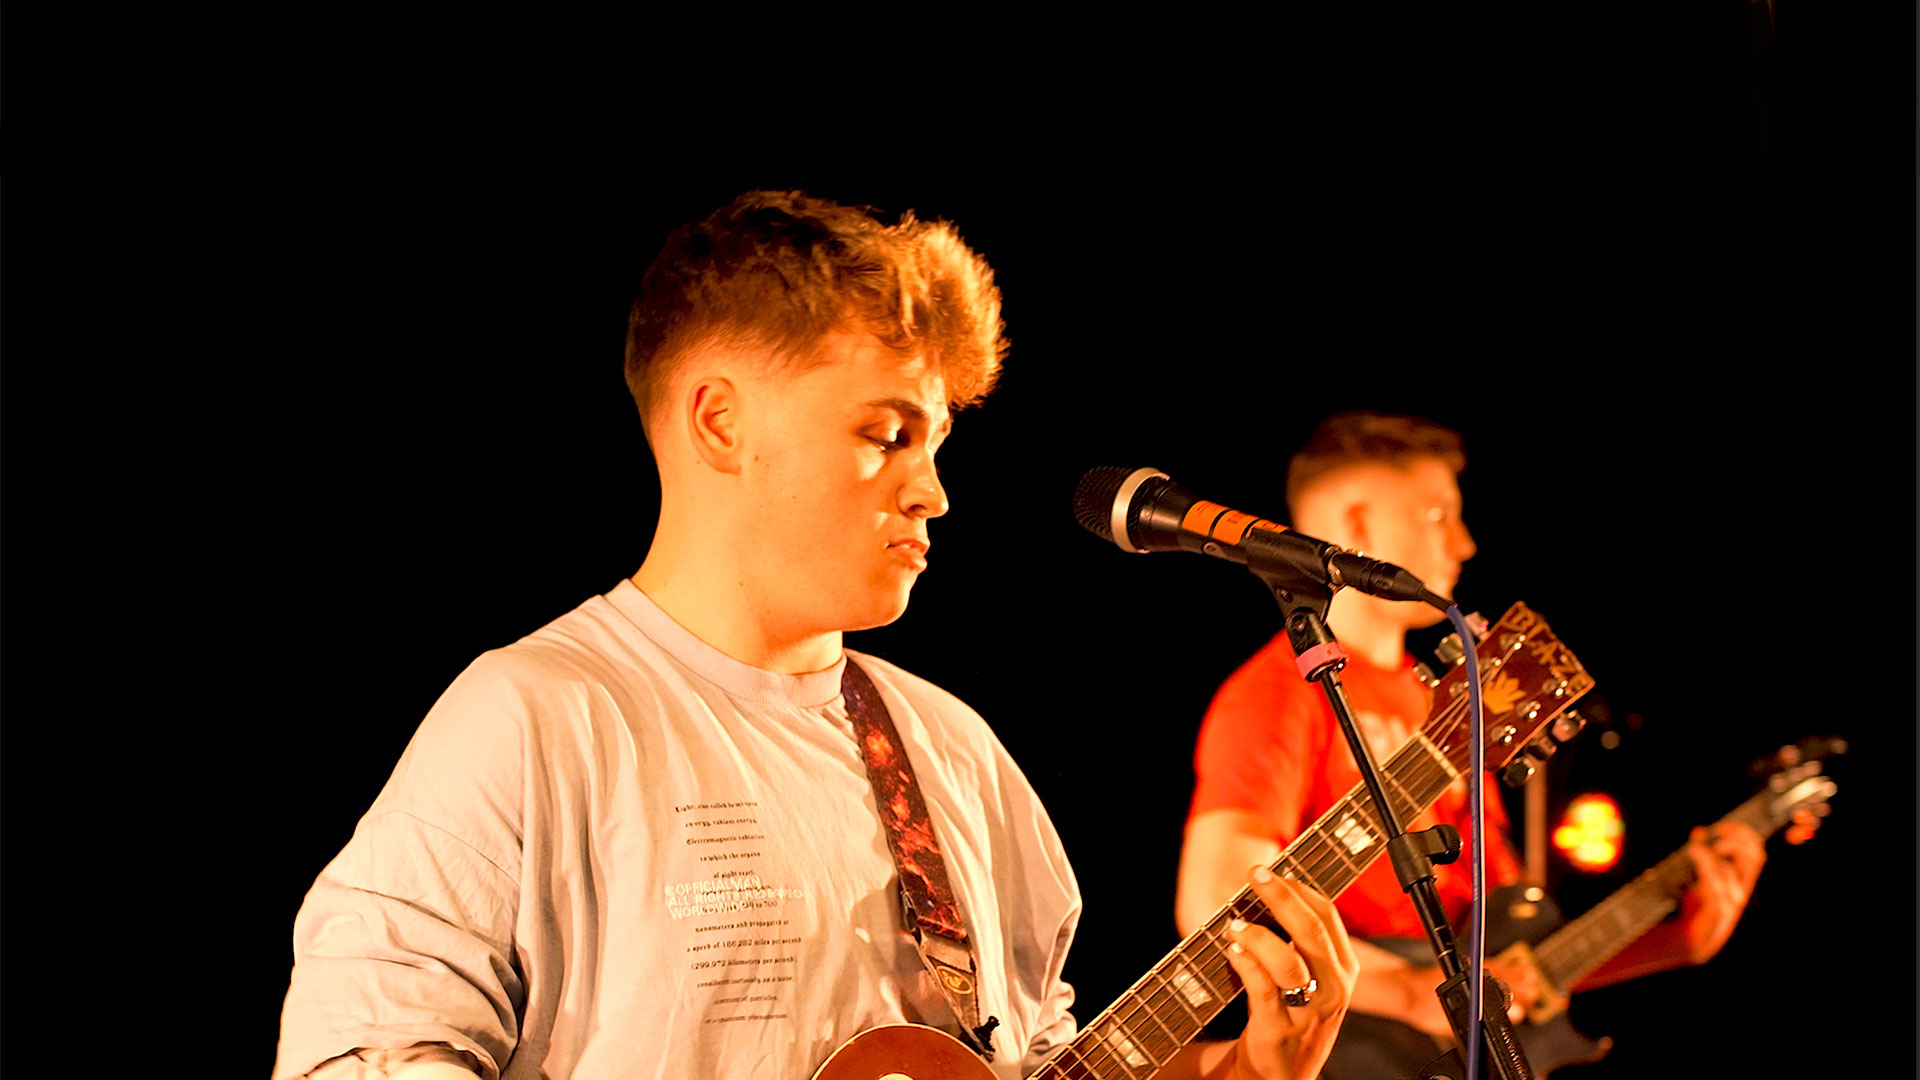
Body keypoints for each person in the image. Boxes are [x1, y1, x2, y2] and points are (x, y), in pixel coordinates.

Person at [272, 190, 1358, 1080]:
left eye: (934, 445)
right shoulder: (537, 715)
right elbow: (357, 1056)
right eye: (885, 435)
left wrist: (1245, 1072)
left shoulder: (953, 753)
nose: (931, 492)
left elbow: (1041, 1064)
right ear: (721, 420)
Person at [1172, 411, 1768, 1077]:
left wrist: (1673, 943)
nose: (1464, 542)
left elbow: (1507, 958)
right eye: (1435, 514)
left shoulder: (1449, 709)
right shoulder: (1276, 694)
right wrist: (1404, 990)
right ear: (1360, 525)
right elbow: (1216, 904)